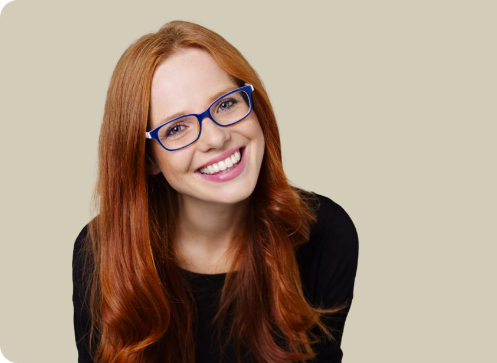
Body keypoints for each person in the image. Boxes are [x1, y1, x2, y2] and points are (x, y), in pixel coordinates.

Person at [72, 20, 358, 363]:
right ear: (149, 160)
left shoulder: (325, 233)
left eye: (225, 104)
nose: (216, 138)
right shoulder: (101, 250)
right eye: (177, 128)